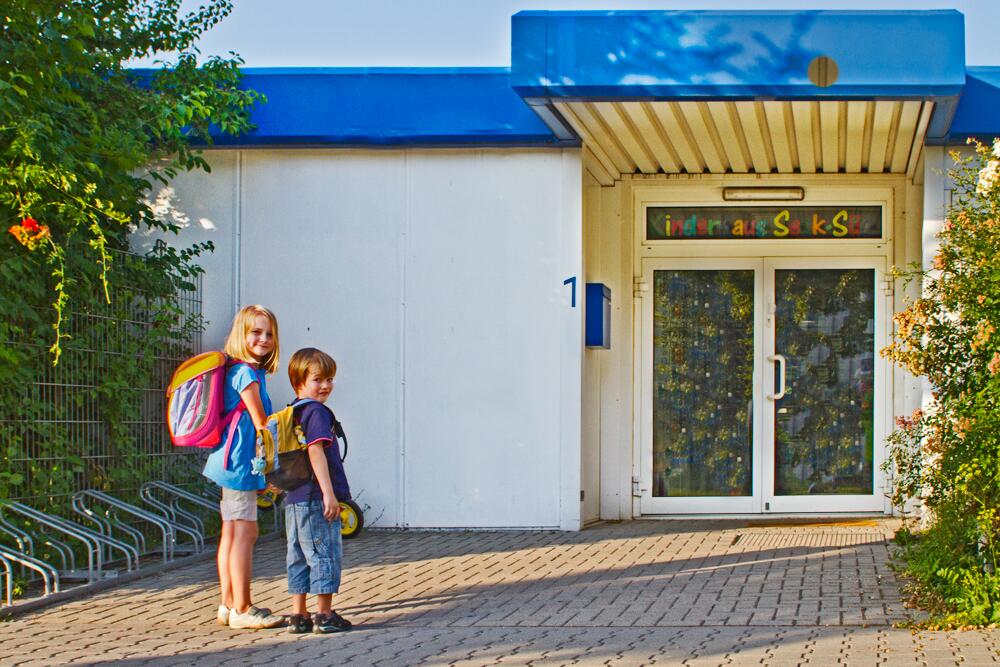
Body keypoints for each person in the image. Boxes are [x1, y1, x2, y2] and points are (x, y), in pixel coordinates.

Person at [203, 305, 284, 630]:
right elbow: (261, 423)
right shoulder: (246, 374)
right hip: (240, 463)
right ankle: (243, 607)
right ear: (242, 335)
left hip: (227, 459)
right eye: (256, 332)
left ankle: (227, 603)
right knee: (245, 532)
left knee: (232, 532)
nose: (263, 339)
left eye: (269, 334)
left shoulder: (237, 370)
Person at [283, 347, 353, 634]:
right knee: (324, 554)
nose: (325, 386)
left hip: (294, 497)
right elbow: (315, 452)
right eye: (318, 379)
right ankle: (324, 614)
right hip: (314, 497)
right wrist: (329, 493)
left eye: (329, 379)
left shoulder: (293, 411)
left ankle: (298, 615)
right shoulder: (317, 412)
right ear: (299, 381)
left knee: (297, 554)